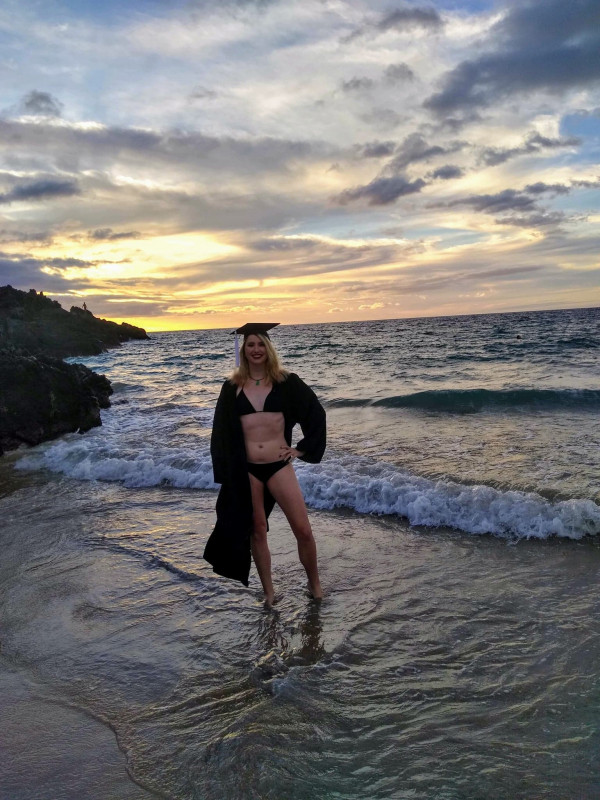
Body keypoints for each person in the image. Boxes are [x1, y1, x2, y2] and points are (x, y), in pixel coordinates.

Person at [204, 323, 326, 605]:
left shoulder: (286, 382)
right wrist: (226, 473)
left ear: (268, 349)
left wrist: (300, 450)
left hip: (278, 466)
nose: (256, 350)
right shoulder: (232, 387)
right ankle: (269, 594)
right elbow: (220, 432)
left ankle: (315, 586)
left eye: (260, 345)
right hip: (247, 470)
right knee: (257, 531)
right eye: (250, 345)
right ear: (244, 351)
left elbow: (315, 413)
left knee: (303, 529)